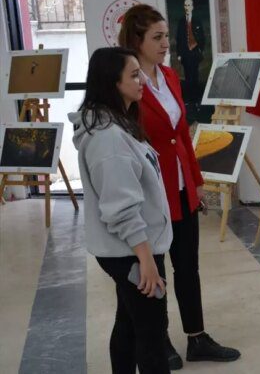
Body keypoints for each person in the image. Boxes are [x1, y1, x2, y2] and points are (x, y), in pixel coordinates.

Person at [118, 4, 240, 370]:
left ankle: (197, 337)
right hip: (151, 192)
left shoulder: (170, 76)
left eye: (166, 36)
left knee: (188, 265)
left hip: (183, 186)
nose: (165, 44)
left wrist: (197, 182)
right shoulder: (129, 86)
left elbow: (182, 134)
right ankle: (160, 341)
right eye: (157, 37)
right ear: (136, 41)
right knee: (155, 270)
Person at [70, 47, 171, 373]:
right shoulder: (109, 139)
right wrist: (146, 260)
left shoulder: (117, 124)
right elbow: (121, 208)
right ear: (113, 83)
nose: (142, 80)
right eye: (133, 74)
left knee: (129, 321)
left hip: (132, 248)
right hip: (132, 251)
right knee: (152, 333)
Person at [175, 0, 205, 101]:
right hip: (185, 52)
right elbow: (178, 38)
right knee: (188, 74)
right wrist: (179, 53)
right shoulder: (181, 21)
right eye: (185, 5)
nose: (187, 8)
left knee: (195, 73)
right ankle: (189, 97)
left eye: (189, 5)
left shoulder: (197, 20)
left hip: (195, 51)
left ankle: (196, 96)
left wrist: (201, 49)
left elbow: (202, 36)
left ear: (192, 7)